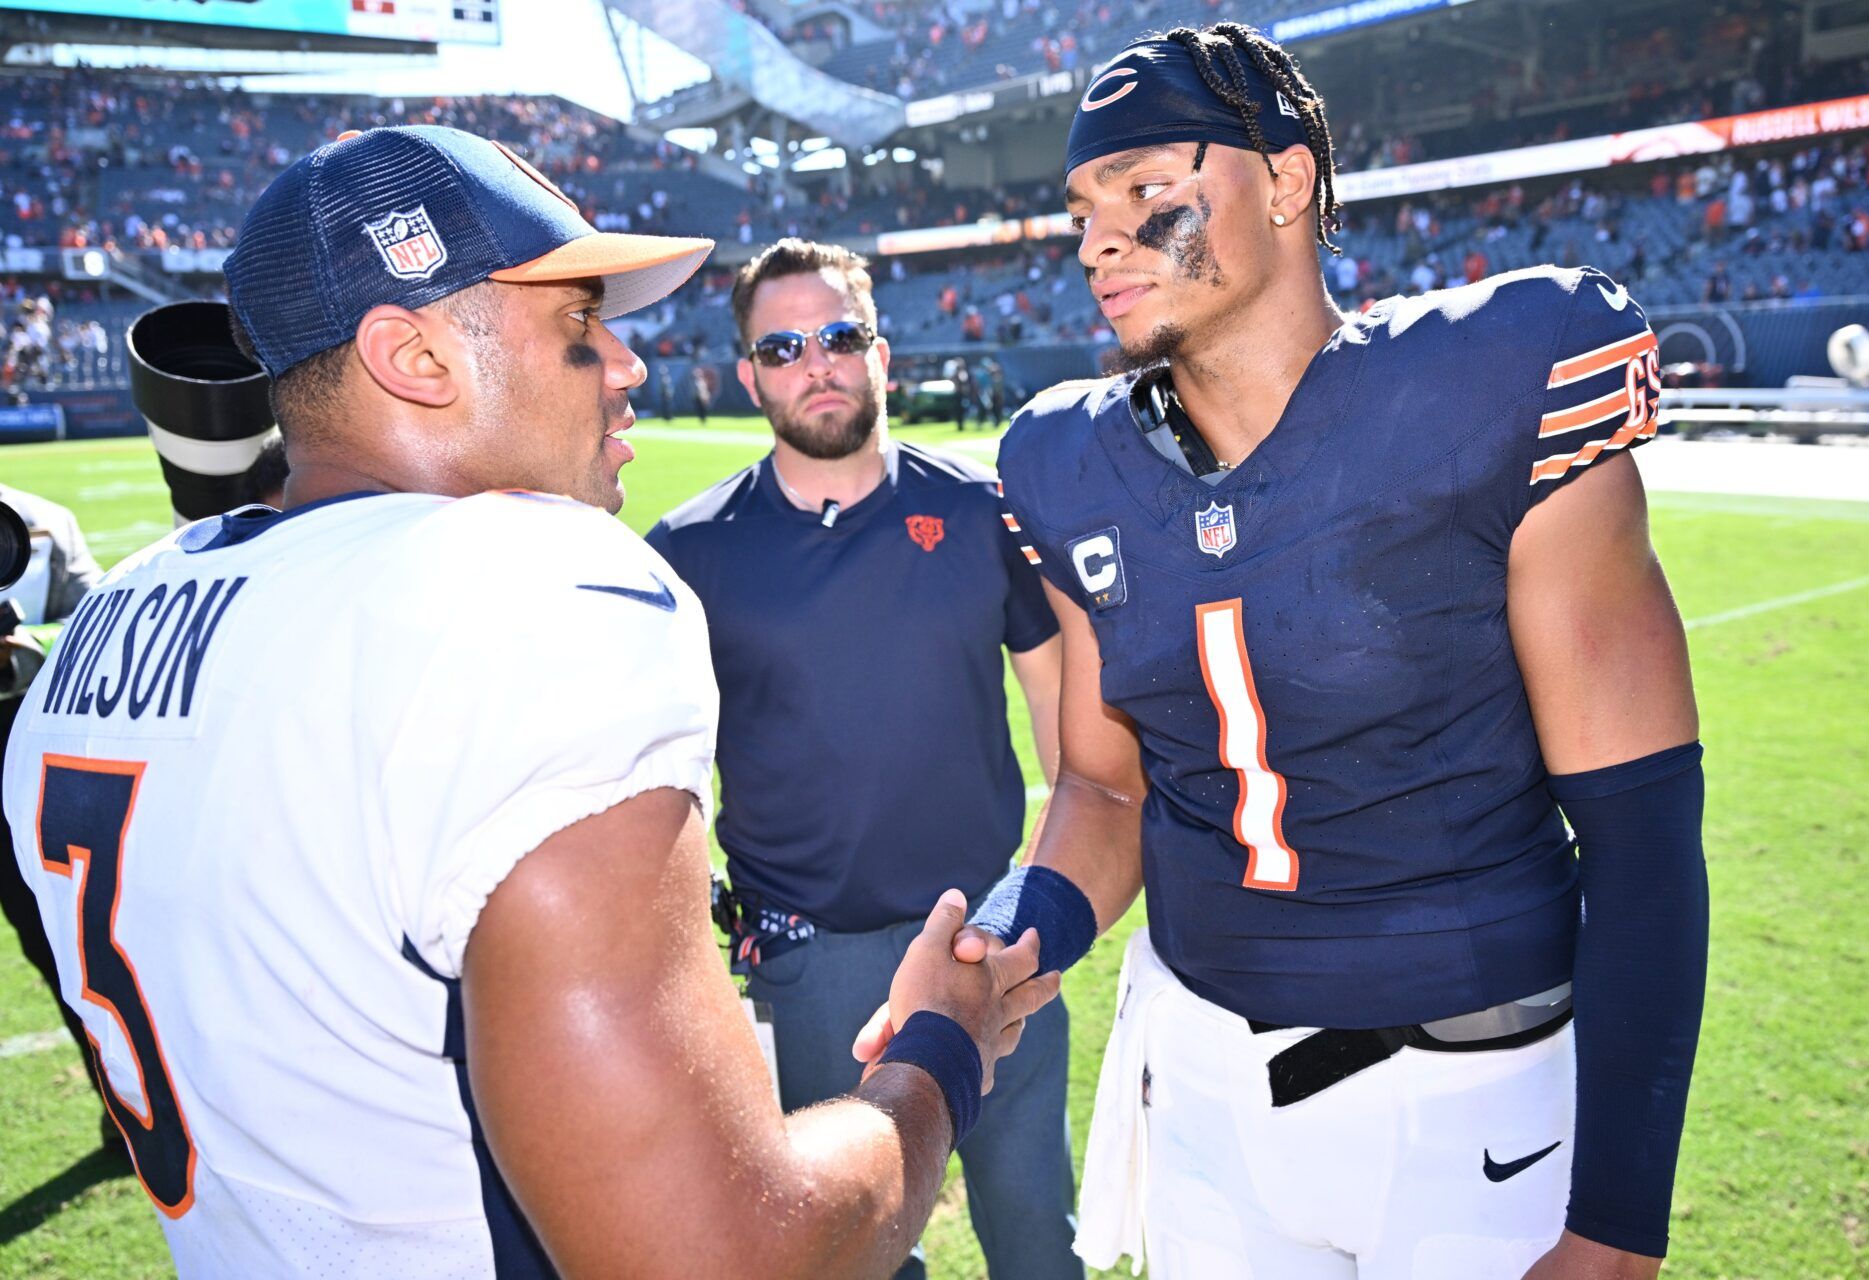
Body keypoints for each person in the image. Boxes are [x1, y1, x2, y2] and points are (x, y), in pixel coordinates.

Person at [2, 125, 1057, 1277]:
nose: (627, 361)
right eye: (574, 325)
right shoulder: (528, 589)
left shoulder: (103, 630)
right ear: (415, 357)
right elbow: (719, 1253)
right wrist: (943, 1051)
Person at [860, 23, 1706, 1280]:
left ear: (1288, 180)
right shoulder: (1061, 461)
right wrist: (1002, 945)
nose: (1098, 238)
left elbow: (1641, 834)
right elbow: (1103, 786)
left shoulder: (1497, 380)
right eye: (1084, 205)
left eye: (1147, 191)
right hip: (1201, 1078)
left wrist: (1620, 1225)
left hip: (1470, 1096)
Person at [647, 238, 1081, 1280]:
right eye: (784, 345)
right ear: (747, 372)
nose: (818, 363)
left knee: (1035, 1234)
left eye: (841, 336)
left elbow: (1075, 751)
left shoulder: (982, 511)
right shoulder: (687, 552)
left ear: (881, 351)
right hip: (812, 964)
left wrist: (1038, 905)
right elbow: (657, 778)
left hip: (990, 942)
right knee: (857, 1253)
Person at [0, 483, 109, 1149]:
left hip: (22, 753)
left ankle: (120, 1105)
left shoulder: (44, 519)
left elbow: (97, 623)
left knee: (59, 944)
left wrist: (22, 645)